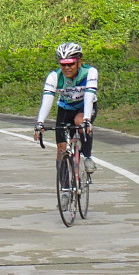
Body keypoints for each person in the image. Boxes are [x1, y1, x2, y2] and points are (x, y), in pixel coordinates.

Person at [34, 42, 98, 175]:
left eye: (71, 63)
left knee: (80, 123)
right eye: (63, 64)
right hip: (65, 109)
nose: (67, 67)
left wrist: (87, 119)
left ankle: (87, 157)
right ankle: (65, 189)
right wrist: (40, 123)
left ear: (79, 62)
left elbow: (89, 97)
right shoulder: (54, 77)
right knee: (61, 150)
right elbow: (47, 100)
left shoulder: (90, 72)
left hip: (84, 107)